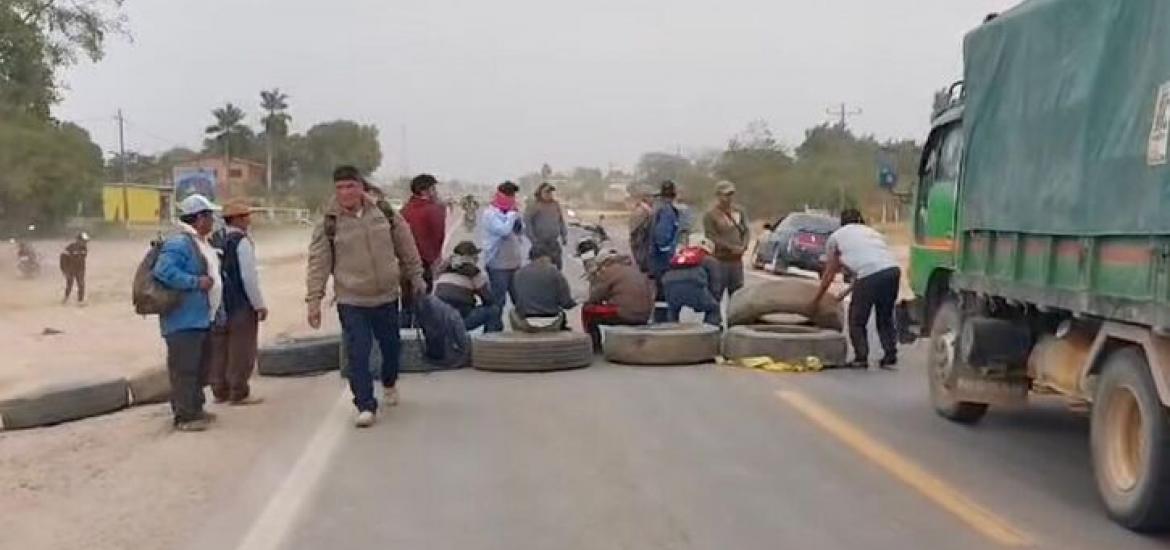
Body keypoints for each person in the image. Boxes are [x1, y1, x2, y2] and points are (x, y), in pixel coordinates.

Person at [306, 165, 426, 428]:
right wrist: (313, 300)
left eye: (350, 186)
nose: (345, 192)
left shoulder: (383, 213)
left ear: (361, 187)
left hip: (385, 295)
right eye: (339, 187)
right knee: (357, 353)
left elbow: (406, 245)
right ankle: (365, 405)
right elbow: (318, 263)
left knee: (391, 347)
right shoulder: (329, 222)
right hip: (352, 300)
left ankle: (389, 381)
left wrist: (416, 276)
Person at [153, 194, 222, 432]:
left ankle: (196, 408)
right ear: (199, 218)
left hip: (199, 318)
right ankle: (184, 416)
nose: (213, 220)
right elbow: (163, 271)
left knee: (199, 367)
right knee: (185, 370)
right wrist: (195, 282)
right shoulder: (180, 243)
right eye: (209, 216)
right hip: (183, 320)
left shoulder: (198, 241)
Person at [810, 208, 901, 370]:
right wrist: (843, 294)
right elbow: (865, 272)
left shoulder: (837, 237)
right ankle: (890, 354)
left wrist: (816, 300)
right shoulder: (872, 232)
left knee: (857, 320)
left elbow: (829, 273)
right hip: (892, 271)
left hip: (870, 274)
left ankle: (861, 357)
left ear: (841, 222)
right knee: (885, 316)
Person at [209, 200, 267, 406]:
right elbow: (248, 277)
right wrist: (259, 304)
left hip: (217, 302)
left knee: (220, 347)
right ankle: (238, 391)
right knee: (241, 348)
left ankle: (219, 390)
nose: (249, 220)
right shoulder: (241, 242)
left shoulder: (215, 240)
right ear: (238, 219)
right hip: (240, 302)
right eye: (246, 216)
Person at [583, 248, 655, 351]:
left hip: (625, 314)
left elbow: (594, 297)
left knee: (587, 310)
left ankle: (595, 345)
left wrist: (594, 281)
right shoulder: (635, 269)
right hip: (645, 315)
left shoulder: (609, 271)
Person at [400, 173, 447, 327]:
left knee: (406, 304)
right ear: (425, 191)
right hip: (423, 262)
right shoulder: (432, 209)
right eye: (433, 188)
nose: (436, 192)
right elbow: (437, 235)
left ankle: (405, 336)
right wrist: (435, 259)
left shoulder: (404, 210)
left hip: (403, 263)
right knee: (423, 305)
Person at [433, 241, 503, 332]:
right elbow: (488, 299)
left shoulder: (444, 269)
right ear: (472, 257)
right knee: (493, 310)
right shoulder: (473, 272)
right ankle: (490, 342)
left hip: (439, 318)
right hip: (459, 319)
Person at [702, 180, 750, 301]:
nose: (729, 198)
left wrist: (744, 246)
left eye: (731, 194)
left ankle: (735, 319)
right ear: (718, 195)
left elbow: (746, 230)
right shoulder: (710, 215)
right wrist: (730, 247)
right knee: (715, 295)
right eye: (726, 195)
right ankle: (713, 319)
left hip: (736, 261)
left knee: (737, 296)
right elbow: (711, 237)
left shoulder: (739, 211)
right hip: (720, 260)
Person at [479, 181, 525, 309]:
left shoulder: (513, 212)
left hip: (514, 263)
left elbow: (519, 231)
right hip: (497, 265)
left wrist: (517, 219)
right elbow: (503, 231)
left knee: (520, 299)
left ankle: (523, 325)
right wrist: (511, 215)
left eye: (513, 195)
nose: (512, 198)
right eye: (509, 195)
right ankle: (494, 328)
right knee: (498, 302)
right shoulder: (490, 214)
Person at [511, 242, 576, 332]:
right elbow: (566, 303)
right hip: (552, 321)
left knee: (512, 312)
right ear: (546, 256)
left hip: (525, 322)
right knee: (562, 314)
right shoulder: (555, 273)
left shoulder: (518, 274)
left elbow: (516, 300)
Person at [661, 237, 722, 326]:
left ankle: (671, 330)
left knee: (673, 308)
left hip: (669, 285)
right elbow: (715, 284)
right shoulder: (709, 260)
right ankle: (710, 331)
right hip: (693, 286)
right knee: (714, 309)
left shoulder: (680, 255)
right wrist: (713, 300)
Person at [523, 182, 568, 270]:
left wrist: (564, 235)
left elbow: (561, 221)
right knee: (539, 270)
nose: (549, 194)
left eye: (550, 192)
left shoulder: (555, 205)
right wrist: (533, 240)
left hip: (553, 243)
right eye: (547, 192)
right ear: (540, 193)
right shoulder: (534, 205)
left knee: (557, 268)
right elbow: (527, 223)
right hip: (540, 243)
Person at [649, 180, 681, 285]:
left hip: (655, 261)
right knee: (663, 295)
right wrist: (669, 256)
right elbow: (662, 237)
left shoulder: (657, 208)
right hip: (663, 263)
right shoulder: (667, 211)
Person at [628, 187, 654, 274]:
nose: (653, 199)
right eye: (651, 197)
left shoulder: (640, 209)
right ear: (646, 198)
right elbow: (638, 230)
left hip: (638, 242)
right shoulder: (644, 211)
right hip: (641, 243)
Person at [59, 232, 89, 304]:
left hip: (80, 270)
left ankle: (80, 301)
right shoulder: (70, 248)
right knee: (69, 285)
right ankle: (66, 299)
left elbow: (82, 259)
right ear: (78, 240)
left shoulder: (84, 248)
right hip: (70, 270)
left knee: (81, 285)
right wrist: (64, 270)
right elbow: (62, 259)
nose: (85, 243)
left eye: (86, 241)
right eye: (83, 241)